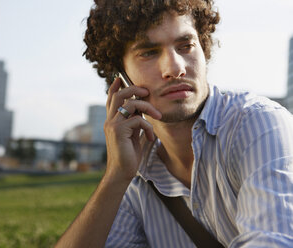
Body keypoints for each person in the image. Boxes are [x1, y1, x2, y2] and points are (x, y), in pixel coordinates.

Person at [55, 0, 293, 247]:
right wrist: (115, 177)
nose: (175, 68)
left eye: (186, 46)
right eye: (149, 52)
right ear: (121, 78)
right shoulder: (134, 173)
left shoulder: (259, 124)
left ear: (204, 49)